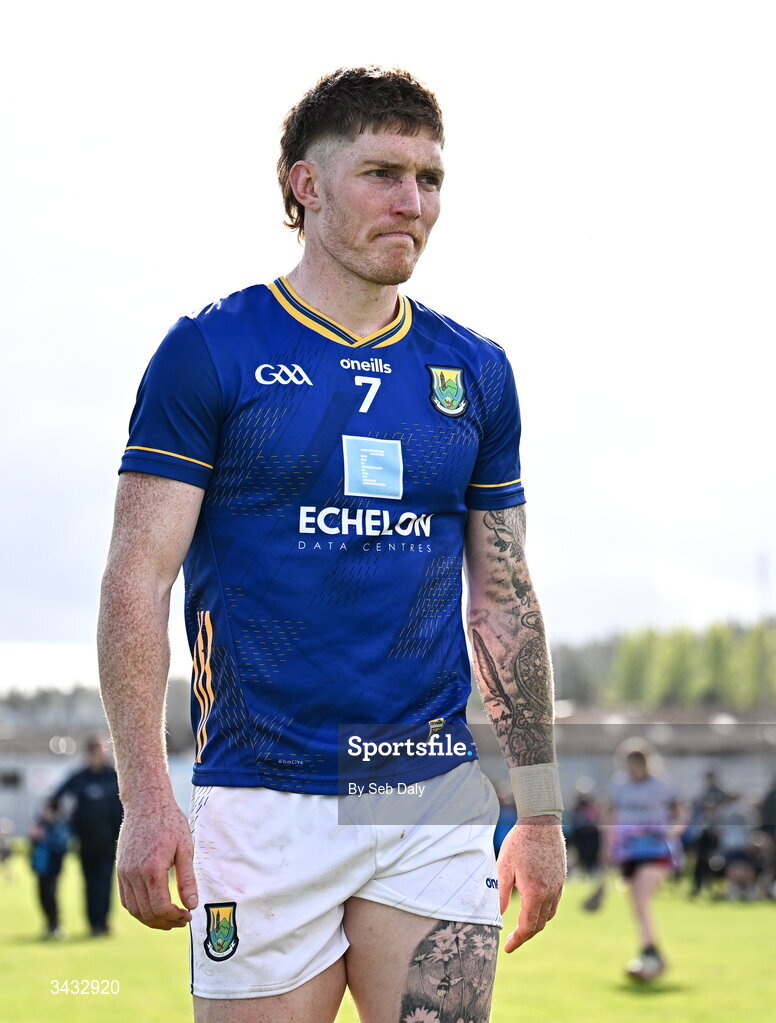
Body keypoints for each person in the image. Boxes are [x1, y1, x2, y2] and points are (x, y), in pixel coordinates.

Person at [98, 66, 566, 1023]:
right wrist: (147, 795)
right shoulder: (211, 351)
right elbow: (134, 583)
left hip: (426, 793)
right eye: (383, 172)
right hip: (262, 795)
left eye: (431, 179)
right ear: (305, 186)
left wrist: (543, 806)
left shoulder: (473, 372)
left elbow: (504, 601)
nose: (414, 203)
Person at [602, 747, 685, 982]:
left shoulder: (662, 785)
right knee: (637, 905)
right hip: (629, 852)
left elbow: (680, 813)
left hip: (656, 849)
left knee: (641, 898)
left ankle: (650, 954)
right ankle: (651, 952)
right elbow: (610, 817)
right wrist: (608, 847)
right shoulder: (619, 786)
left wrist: (673, 832)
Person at [53, 736, 123, 936]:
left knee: (105, 882)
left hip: (110, 841)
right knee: (89, 883)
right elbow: (55, 798)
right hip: (85, 840)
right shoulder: (80, 777)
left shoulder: (113, 776)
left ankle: (104, 923)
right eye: (98, 752)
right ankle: (93, 924)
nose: (102, 756)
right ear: (90, 753)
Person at [29, 797, 70, 938]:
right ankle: (48, 925)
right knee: (42, 897)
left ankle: (55, 925)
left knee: (51, 896)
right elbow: (34, 845)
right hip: (41, 867)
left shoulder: (59, 825)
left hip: (53, 868)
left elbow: (61, 844)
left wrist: (43, 837)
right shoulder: (41, 824)